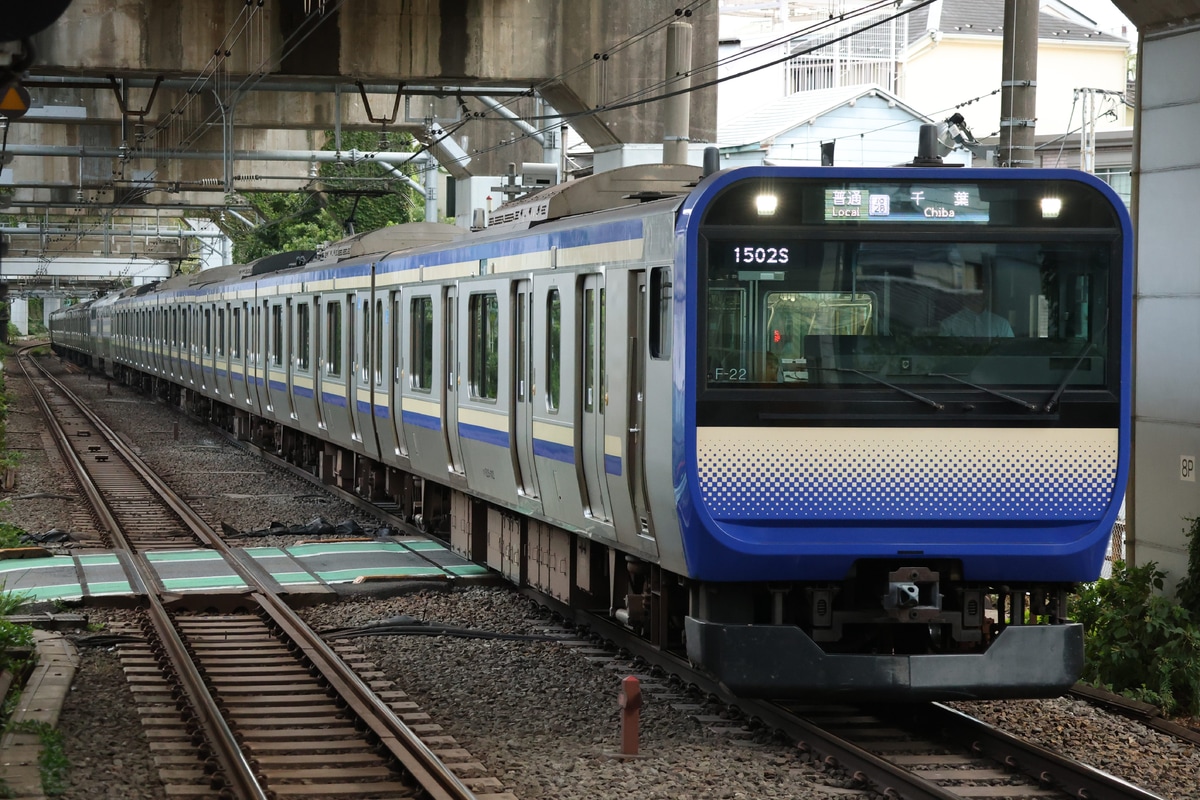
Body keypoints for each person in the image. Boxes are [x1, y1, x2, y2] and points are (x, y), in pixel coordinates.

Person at [939, 283, 1013, 337]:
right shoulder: (948, 325)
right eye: (973, 291)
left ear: (986, 295)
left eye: (980, 291)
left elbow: (1010, 351)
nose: (976, 296)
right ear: (964, 295)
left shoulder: (1003, 325)